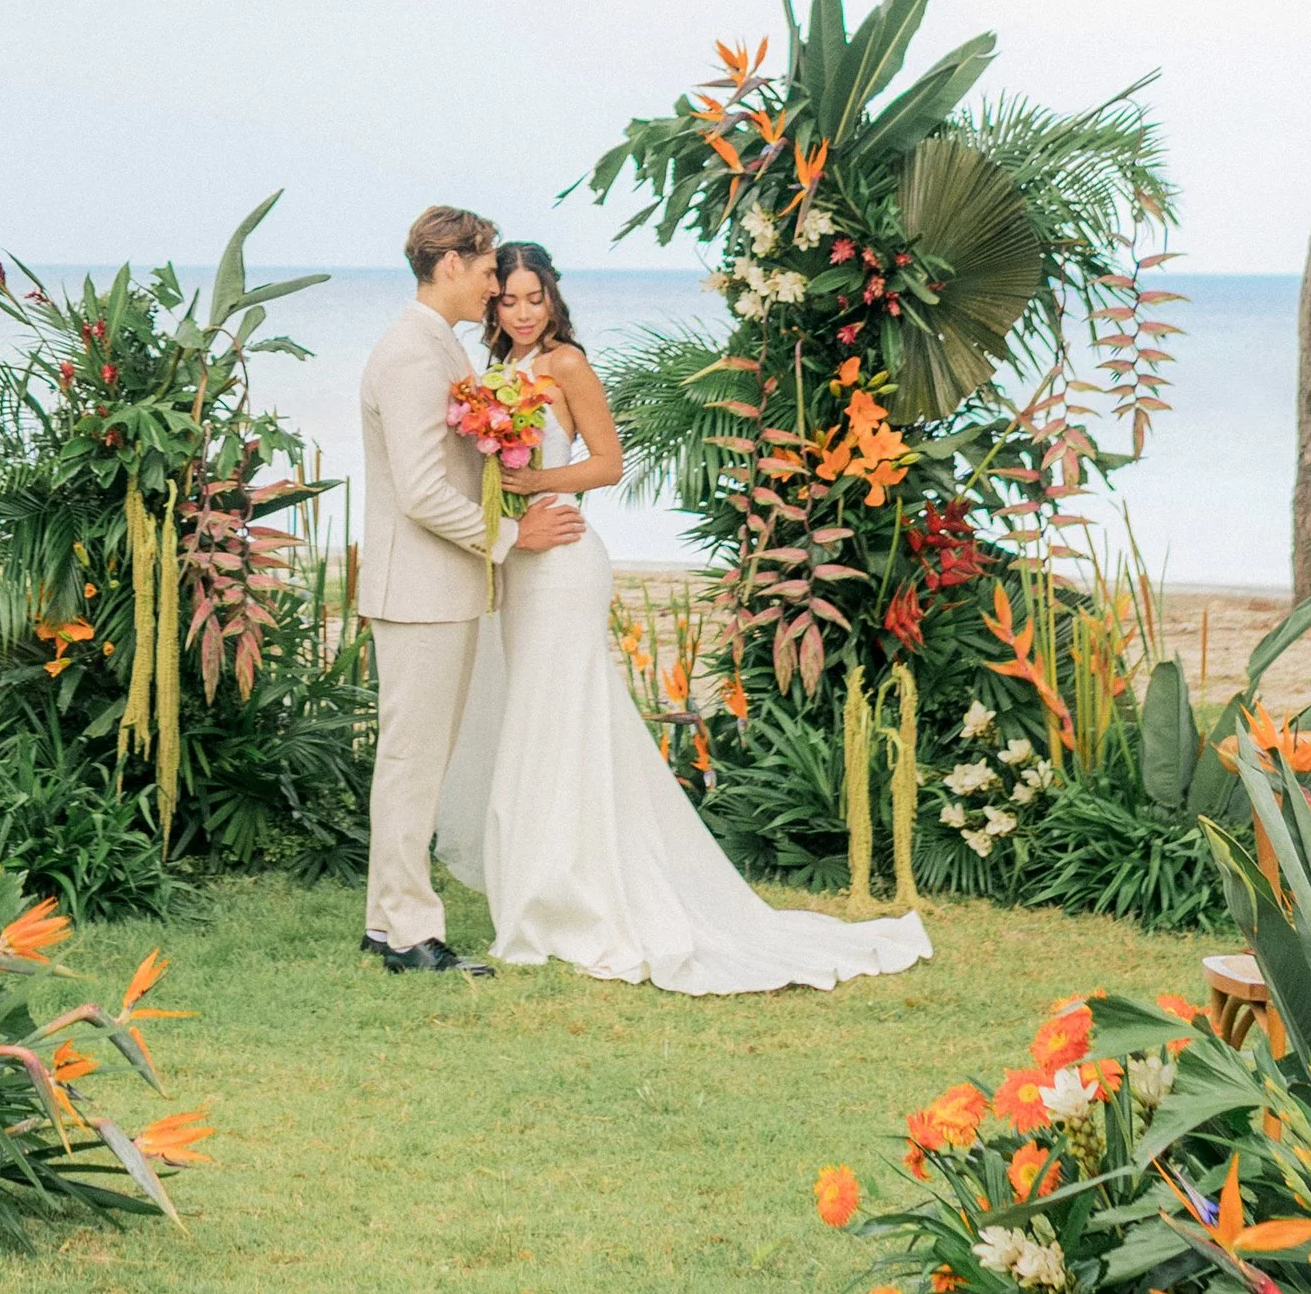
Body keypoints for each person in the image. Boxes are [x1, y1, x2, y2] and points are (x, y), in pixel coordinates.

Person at [434, 241, 933, 995]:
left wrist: (535, 480)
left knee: (561, 714)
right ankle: (541, 882)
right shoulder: (497, 377)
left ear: (553, 298)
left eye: (535, 296)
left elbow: (607, 461)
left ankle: (571, 892)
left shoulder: (565, 364)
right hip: (518, 560)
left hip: (563, 557)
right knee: (531, 716)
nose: (524, 310)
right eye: (509, 298)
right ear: (492, 305)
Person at [358, 206, 585, 974]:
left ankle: (384, 916)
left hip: (436, 588)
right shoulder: (414, 355)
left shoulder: (434, 347)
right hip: (420, 590)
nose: (495, 285)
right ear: (450, 264)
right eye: (489, 270)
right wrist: (510, 537)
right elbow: (422, 491)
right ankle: (410, 934)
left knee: (413, 758)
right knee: (413, 762)